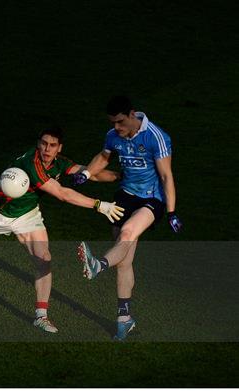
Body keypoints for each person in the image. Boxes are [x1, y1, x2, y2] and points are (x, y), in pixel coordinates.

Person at [0, 127, 124, 333]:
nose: (46, 149)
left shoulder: (60, 162)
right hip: (0, 212)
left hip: (28, 215)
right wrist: (99, 205)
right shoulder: (31, 163)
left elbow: (91, 174)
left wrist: (123, 176)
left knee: (44, 258)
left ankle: (41, 316)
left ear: (59, 147)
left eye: (52, 145)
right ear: (38, 143)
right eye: (43, 143)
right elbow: (61, 194)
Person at [72, 95, 183, 340]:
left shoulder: (156, 137)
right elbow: (104, 157)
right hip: (125, 196)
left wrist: (172, 212)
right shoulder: (113, 135)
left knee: (127, 233)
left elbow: (166, 176)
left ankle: (97, 265)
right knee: (123, 260)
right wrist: (87, 173)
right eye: (113, 123)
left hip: (151, 199)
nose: (117, 128)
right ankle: (124, 318)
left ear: (132, 115)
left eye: (121, 122)